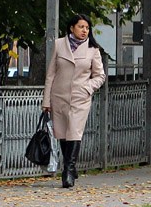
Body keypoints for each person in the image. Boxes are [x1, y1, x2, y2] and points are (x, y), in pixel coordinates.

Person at [42, 14, 107, 188]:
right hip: (59, 95)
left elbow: (100, 76)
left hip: (80, 97)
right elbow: (51, 74)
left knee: (74, 132)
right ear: (71, 28)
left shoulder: (93, 49)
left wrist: (87, 88)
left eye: (87, 28)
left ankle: (68, 170)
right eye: (81, 27)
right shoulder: (59, 44)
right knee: (62, 134)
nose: (84, 30)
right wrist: (46, 100)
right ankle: (70, 165)